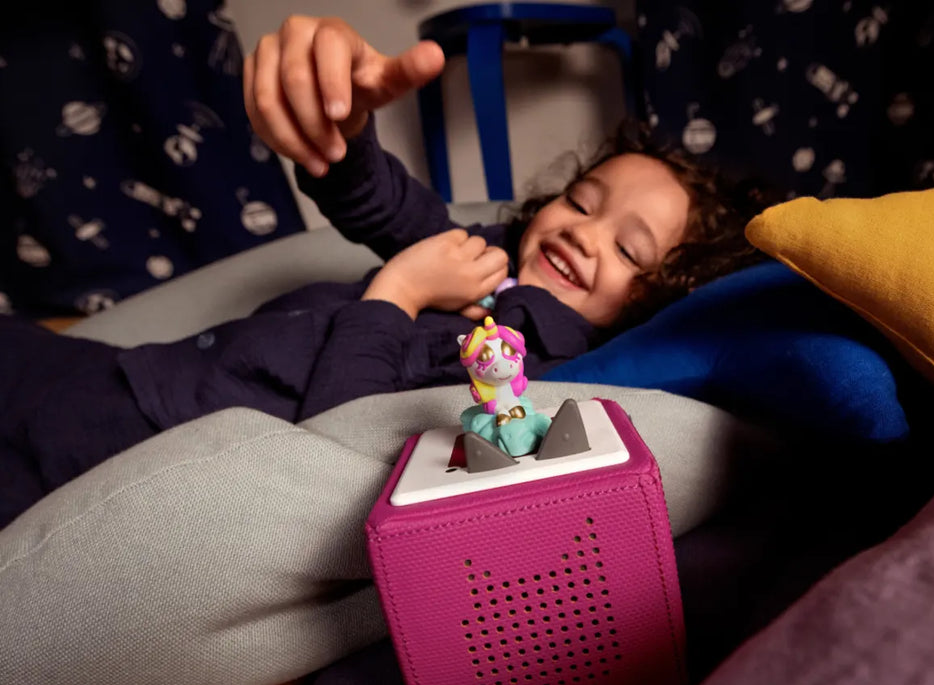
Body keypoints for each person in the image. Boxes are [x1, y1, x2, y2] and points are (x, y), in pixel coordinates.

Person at [0, 16, 768, 530]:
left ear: (654, 302)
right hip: (136, 370)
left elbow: (344, 441)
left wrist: (397, 293)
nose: (582, 231)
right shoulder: (494, 259)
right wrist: (346, 131)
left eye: (629, 251)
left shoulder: (526, 374)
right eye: (579, 199)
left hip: (144, 443)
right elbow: (384, 204)